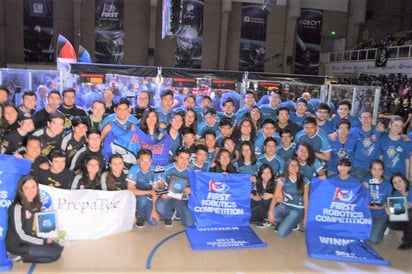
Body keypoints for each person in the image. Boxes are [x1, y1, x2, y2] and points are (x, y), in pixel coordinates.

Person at [6, 175, 63, 263]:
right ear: (21, 190)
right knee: (54, 254)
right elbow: (20, 235)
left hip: (29, 240)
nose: (31, 191)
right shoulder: (17, 207)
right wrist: (43, 241)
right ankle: (17, 256)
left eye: (33, 187)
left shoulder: (36, 204)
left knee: (59, 248)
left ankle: (31, 253)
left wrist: (51, 232)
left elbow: (37, 227)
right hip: (18, 244)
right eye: (27, 188)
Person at [268, 158, 310, 237]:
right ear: (287, 167)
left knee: (281, 233)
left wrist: (306, 217)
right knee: (273, 214)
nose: (294, 167)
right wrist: (270, 211)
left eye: (296, 165)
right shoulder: (283, 179)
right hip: (285, 206)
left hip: (298, 209)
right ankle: (291, 223)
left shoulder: (304, 180)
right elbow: (276, 195)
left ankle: (291, 222)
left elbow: (306, 199)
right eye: (292, 165)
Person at [156, 147, 194, 227]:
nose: (184, 161)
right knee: (159, 206)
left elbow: (196, 187)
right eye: (181, 158)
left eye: (187, 159)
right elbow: (158, 185)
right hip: (168, 197)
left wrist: (191, 189)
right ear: (176, 157)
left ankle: (179, 211)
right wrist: (162, 193)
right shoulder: (165, 169)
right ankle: (169, 215)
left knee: (189, 224)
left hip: (183, 199)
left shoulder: (191, 172)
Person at [126, 149, 160, 227]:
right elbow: (130, 189)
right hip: (137, 197)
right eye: (142, 160)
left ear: (151, 161)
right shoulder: (134, 169)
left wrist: (154, 210)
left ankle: (146, 211)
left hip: (150, 198)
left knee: (154, 223)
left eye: (148, 160)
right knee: (142, 199)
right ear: (138, 161)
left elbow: (155, 192)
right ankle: (139, 215)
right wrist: (148, 192)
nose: (145, 163)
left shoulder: (156, 170)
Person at [362, 159, 392, 244]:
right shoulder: (365, 182)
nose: (376, 172)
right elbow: (359, 198)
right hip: (366, 213)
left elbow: (389, 202)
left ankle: (384, 226)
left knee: (374, 240)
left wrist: (382, 207)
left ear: (383, 171)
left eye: (379, 169)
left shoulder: (388, 185)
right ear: (370, 170)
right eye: (374, 169)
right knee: (359, 234)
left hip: (380, 214)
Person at [351, 111, 383, 180]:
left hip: (374, 168)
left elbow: (392, 136)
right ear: (360, 118)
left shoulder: (378, 130)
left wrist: (404, 136)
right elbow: (341, 133)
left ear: (372, 119)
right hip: (358, 167)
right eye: (364, 117)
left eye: (368, 117)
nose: (366, 119)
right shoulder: (354, 131)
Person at [378, 115, 410, 181]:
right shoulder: (382, 140)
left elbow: (407, 161)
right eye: (396, 125)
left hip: (400, 177)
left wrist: (407, 178)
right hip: (386, 176)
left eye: (400, 126)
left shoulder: (406, 142)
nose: (398, 128)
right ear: (390, 125)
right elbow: (380, 159)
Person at [387, 173, 412, 250]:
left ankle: (408, 241)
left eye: (399, 181)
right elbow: (396, 212)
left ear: (405, 181)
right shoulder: (396, 194)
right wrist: (389, 211)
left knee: (409, 215)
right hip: (407, 217)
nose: (398, 184)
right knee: (391, 222)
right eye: (395, 183)